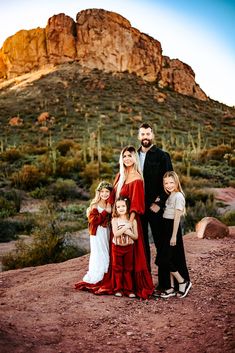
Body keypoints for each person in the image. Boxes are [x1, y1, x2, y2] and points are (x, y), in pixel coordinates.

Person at [96, 145, 154, 299]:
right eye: (124, 156)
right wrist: (99, 207)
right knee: (117, 258)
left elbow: (136, 204)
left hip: (129, 222)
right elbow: (112, 196)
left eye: (130, 156)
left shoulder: (137, 178)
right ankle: (118, 286)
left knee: (131, 258)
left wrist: (128, 224)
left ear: (135, 158)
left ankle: (130, 287)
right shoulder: (120, 176)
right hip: (116, 221)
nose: (127, 159)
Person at [137, 122, 173, 289]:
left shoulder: (162, 156)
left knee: (161, 244)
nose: (145, 137)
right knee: (142, 246)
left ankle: (164, 284)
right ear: (139, 136)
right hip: (139, 208)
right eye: (143, 134)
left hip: (156, 208)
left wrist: (159, 203)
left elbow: (169, 183)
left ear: (152, 135)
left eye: (148, 134)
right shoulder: (133, 156)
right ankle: (146, 283)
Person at [157, 171, 192, 298]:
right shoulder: (169, 195)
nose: (169, 185)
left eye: (171, 182)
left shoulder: (178, 196)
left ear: (176, 182)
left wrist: (173, 236)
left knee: (164, 259)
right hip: (166, 228)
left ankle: (182, 282)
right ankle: (171, 287)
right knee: (169, 258)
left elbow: (177, 218)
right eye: (166, 183)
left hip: (173, 229)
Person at [75, 181, 113, 287]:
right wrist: (106, 211)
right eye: (102, 192)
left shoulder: (109, 204)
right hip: (97, 232)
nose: (105, 194)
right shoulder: (95, 205)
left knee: (107, 250)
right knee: (100, 253)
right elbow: (94, 221)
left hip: (106, 231)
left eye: (107, 192)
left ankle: (107, 273)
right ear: (98, 192)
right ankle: (99, 276)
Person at [111, 196, 138, 298]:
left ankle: (129, 290)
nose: (121, 208)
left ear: (127, 206)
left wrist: (128, 232)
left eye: (123, 206)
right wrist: (126, 228)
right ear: (116, 209)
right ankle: (118, 289)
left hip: (128, 248)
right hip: (117, 247)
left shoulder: (132, 221)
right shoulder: (115, 220)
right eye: (118, 207)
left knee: (128, 269)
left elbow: (135, 237)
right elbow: (116, 233)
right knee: (118, 269)